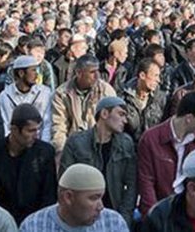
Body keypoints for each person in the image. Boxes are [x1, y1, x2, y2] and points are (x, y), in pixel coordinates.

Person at [60, 97, 136, 227]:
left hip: (114, 213)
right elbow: (65, 182)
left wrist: (123, 219)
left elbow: (132, 185)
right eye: (121, 114)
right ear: (104, 114)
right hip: (82, 214)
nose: (125, 120)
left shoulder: (126, 143)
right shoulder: (76, 143)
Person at [0, 103, 57, 225]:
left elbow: (49, 195)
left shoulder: (44, 153)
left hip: (35, 221)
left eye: (38, 130)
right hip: (0, 221)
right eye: (31, 130)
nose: (36, 135)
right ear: (14, 129)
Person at [137, 91, 195, 215]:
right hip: (161, 207)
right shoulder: (151, 139)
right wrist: (154, 216)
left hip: (190, 210)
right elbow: (146, 182)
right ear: (189, 118)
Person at [19, 164, 128, 232]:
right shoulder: (33, 226)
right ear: (68, 197)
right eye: (93, 198)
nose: (101, 207)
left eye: (101, 198)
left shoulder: (113, 223)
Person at [51, 55, 115, 155]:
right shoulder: (62, 93)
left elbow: (112, 123)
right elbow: (59, 126)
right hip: (73, 146)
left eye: (98, 71)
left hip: (100, 146)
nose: (97, 75)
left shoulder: (106, 91)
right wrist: (62, 152)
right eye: (92, 72)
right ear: (79, 73)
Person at [0, 55, 53, 142]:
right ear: (21, 73)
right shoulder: (5, 95)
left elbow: (47, 124)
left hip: (39, 143)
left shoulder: (45, 92)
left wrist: (43, 146)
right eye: (33, 70)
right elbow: (7, 125)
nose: (36, 74)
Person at [119, 58, 167, 143]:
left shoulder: (161, 98)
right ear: (142, 75)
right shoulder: (123, 98)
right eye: (155, 76)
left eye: (159, 76)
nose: (158, 80)